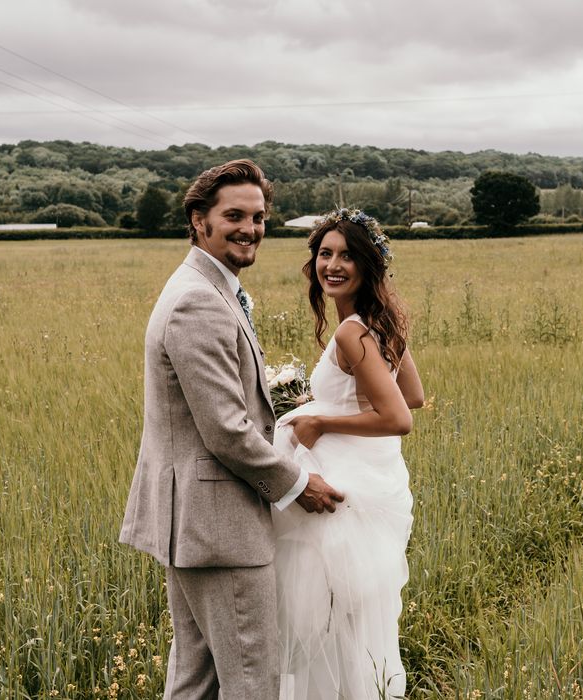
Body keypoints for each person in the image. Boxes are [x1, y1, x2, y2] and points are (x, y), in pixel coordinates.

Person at [119, 159, 344, 700]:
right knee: (251, 683)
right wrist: (296, 484)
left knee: (196, 681)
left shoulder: (204, 285)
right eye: (235, 215)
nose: (250, 228)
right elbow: (225, 430)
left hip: (196, 525)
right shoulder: (199, 300)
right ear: (200, 220)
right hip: (220, 529)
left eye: (259, 217)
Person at [272, 208, 424, 700]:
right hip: (370, 479)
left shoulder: (351, 331)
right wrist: (321, 401)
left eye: (347, 256)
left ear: (367, 265)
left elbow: (401, 416)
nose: (332, 265)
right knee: (352, 625)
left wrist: (319, 419)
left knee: (323, 623)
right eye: (324, 253)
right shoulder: (380, 322)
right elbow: (413, 393)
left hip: (342, 487)